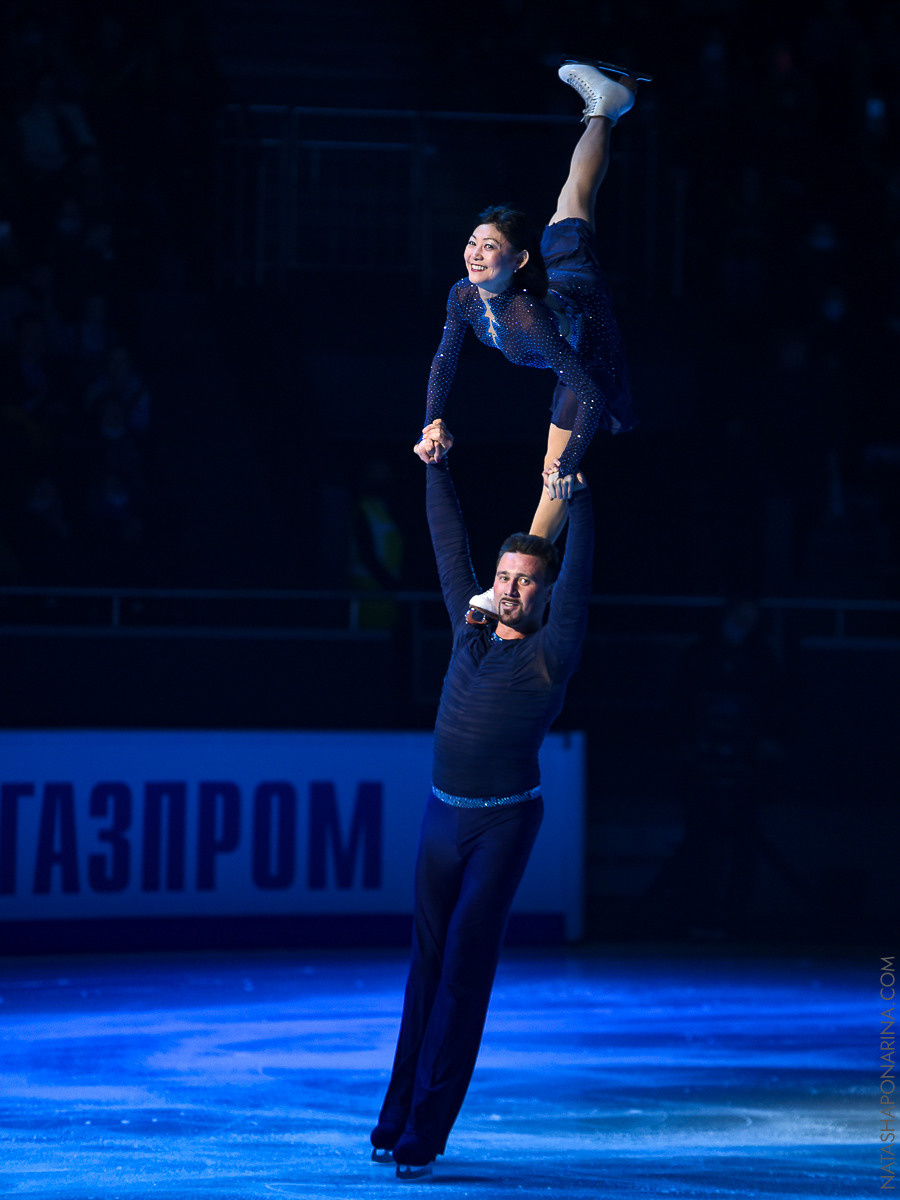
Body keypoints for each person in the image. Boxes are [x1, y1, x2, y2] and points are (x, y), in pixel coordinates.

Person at [370, 419, 593, 1181]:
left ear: (545, 594)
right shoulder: (469, 633)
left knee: (463, 968)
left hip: (502, 825)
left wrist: (579, 503)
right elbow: (447, 549)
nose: (510, 587)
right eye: (503, 576)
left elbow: (578, 578)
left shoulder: (551, 655)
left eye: (526, 580)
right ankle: (395, 1112)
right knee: (425, 967)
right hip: (441, 816)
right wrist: (435, 467)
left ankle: (424, 1132)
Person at [416, 58, 649, 613]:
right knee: (574, 195)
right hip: (560, 280)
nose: (474, 254)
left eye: (489, 247)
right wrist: (432, 418)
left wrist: (567, 465)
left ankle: (516, 581)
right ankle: (606, 108)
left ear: (518, 260)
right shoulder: (464, 295)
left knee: (553, 478)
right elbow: (445, 359)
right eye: (472, 242)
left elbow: (588, 394)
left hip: (585, 338)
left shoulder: (528, 319)